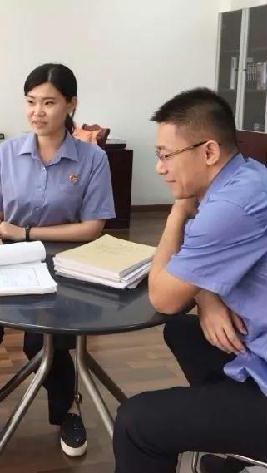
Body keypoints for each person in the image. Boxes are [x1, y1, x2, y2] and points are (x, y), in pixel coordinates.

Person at [0, 63, 116, 457]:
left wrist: (27, 233)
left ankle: (68, 410)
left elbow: (92, 227)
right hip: (11, 259)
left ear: (71, 104)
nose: (37, 112)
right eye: (31, 102)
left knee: (44, 338)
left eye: (49, 102)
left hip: (65, 264)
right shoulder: (8, 152)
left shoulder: (92, 159)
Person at [113, 88, 267, 473]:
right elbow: (203, 269)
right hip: (256, 345)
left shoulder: (229, 207)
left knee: (135, 423)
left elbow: (163, 296)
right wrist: (207, 298)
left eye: (166, 155)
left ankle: (238, 431)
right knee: (183, 331)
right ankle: (228, 441)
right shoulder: (248, 176)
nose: (159, 168)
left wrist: (177, 212)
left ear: (209, 151)